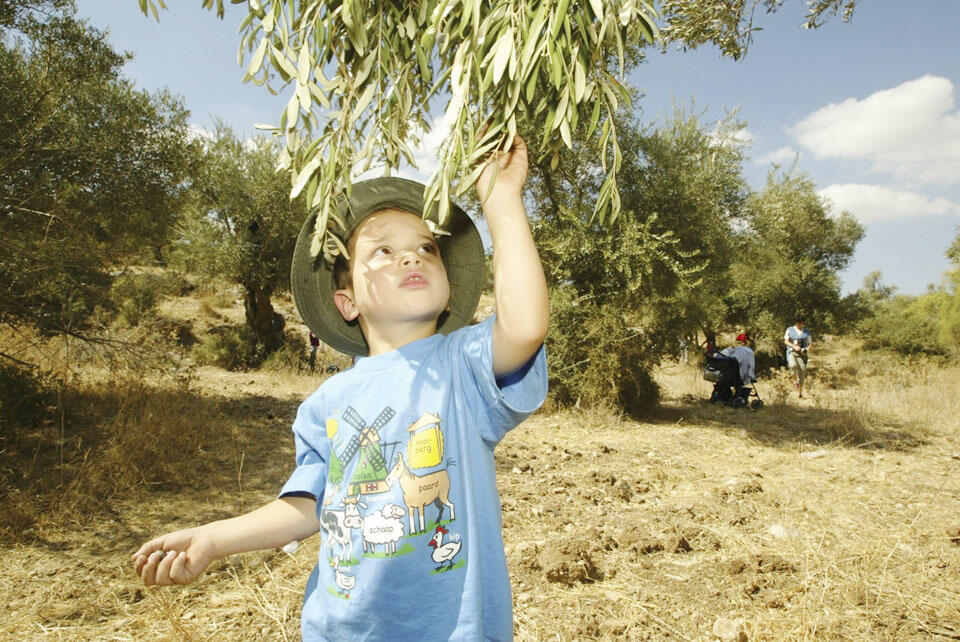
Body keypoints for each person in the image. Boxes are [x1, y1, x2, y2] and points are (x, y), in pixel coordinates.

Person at [131, 136, 549, 641]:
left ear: (448, 293)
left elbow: (525, 326)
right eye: (384, 251)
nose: (411, 259)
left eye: (427, 249)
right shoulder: (323, 404)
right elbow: (307, 508)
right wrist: (211, 538)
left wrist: (501, 199)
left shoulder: (461, 363)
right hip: (340, 628)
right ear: (348, 301)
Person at [784, 316, 812, 398]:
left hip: (802, 354)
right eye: (797, 322)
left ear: (803, 323)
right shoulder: (790, 330)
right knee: (792, 366)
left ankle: (800, 393)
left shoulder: (807, 332)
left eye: (800, 323)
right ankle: (794, 380)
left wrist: (806, 349)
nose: (798, 324)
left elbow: (810, 343)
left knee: (802, 372)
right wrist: (793, 346)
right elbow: (786, 341)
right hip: (792, 352)